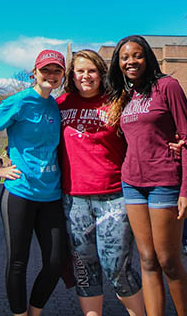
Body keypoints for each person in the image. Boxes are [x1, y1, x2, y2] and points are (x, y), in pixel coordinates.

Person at [107, 35, 187, 316]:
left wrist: (186, 190)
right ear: (118, 63)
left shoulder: (167, 86)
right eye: (124, 57)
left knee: (168, 260)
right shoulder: (124, 96)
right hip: (132, 183)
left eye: (137, 55)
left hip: (164, 182)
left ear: (148, 57)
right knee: (146, 259)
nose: (131, 61)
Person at [0, 50, 67, 316]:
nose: (51, 75)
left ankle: (34, 312)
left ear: (62, 75)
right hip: (20, 193)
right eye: (45, 70)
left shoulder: (56, 105)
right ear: (34, 73)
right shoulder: (19, 102)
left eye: (56, 71)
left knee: (55, 262)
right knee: (18, 262)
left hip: (50, 195)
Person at [57, 49, 145, 316]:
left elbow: (145, 131)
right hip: (74, 199)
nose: (86, 76)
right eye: (80, 71)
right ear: (72, 75)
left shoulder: (118, 101)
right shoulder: (60, 103)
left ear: (101, 74)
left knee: (115, 264)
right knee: (83, 266)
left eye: (92, 71)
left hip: (114, 196)